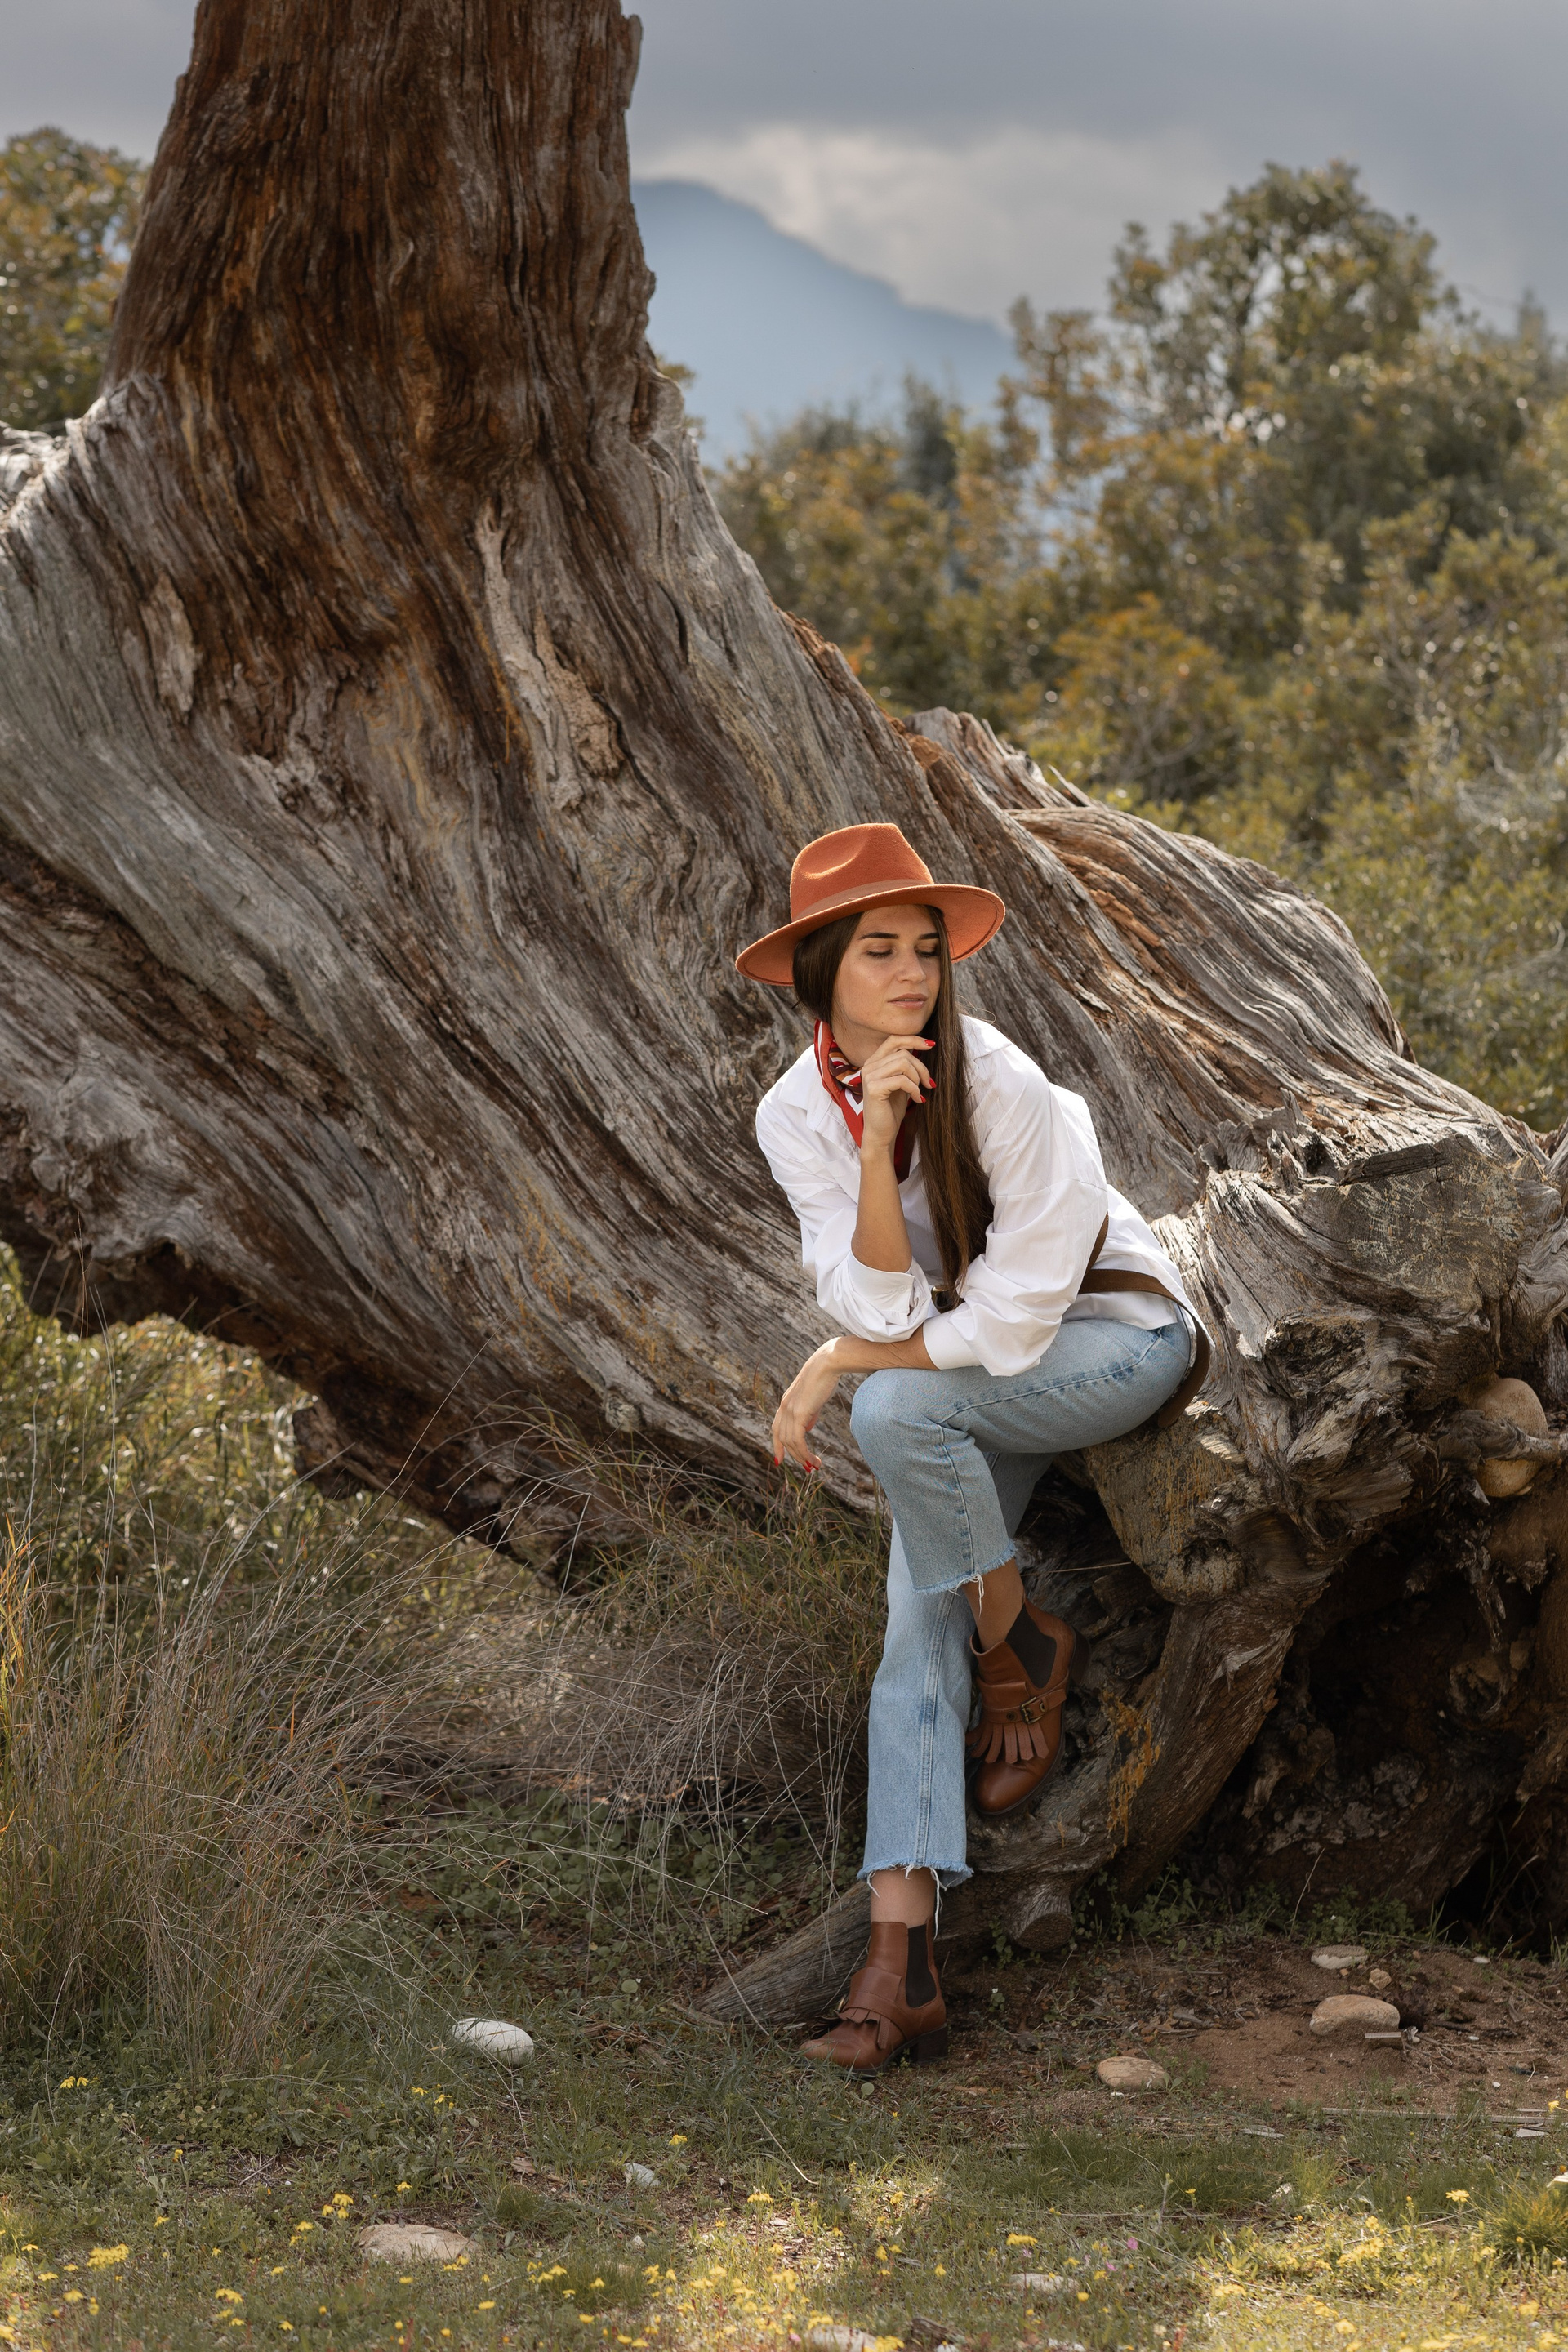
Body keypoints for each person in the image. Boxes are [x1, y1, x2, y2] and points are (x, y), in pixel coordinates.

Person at [736, 822, 1204, 2075]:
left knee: (891, 1410)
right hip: (965, 1382)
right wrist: (875, 1147)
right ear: (821, 974)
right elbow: (882, 1300)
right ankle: (903, 1965)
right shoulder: (796, 1113)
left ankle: (1018, 1641)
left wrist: (839, 1364)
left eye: (925, 950)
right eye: (878, 951)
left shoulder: (1000, 1081)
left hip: (1113, 1343)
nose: (911, 974)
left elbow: (1010, 1323)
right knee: (910, 1628)